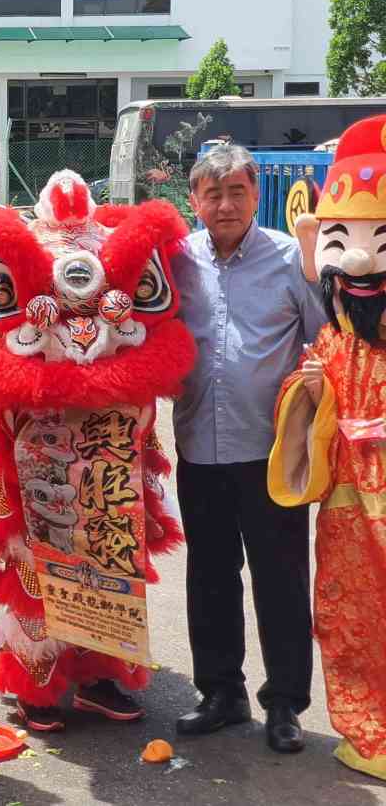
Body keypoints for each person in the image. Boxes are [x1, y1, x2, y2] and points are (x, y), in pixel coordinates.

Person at [0, 170, 190, 733]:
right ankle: (9, 657)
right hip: (21, 428)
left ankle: (98, 670)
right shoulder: (25, 251)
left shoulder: (110, 250)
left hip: (105, 431)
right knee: (13, 545)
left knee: (107, 543)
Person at [171, 144, 326, 754]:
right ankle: (220, 692)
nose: (226, 204)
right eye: (213, 194)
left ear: (255, 195)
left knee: (281, 578)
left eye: (237, 191)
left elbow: (322, 340)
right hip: (197, 447)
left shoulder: (291, 258)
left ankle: (285, 703)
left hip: (271, 452)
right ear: (195, 201)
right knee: (209, 575)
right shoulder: (178, 260)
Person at [268, 115, 386, 780]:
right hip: (346, 501)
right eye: (345, 241)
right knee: (349, 618)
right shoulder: (335, 338)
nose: (362, 260)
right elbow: (305, 398)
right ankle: (368, 731)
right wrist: (309, 390)